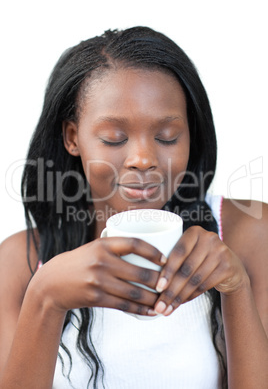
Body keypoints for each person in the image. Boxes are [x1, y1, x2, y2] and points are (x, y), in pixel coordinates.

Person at [0, 26, 267, 389]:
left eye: (166, 137)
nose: (143, 159)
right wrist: (46, 297)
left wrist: (236, 288)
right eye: (115, 138)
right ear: (72, 137)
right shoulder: (21, 262)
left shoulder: (250, 232)